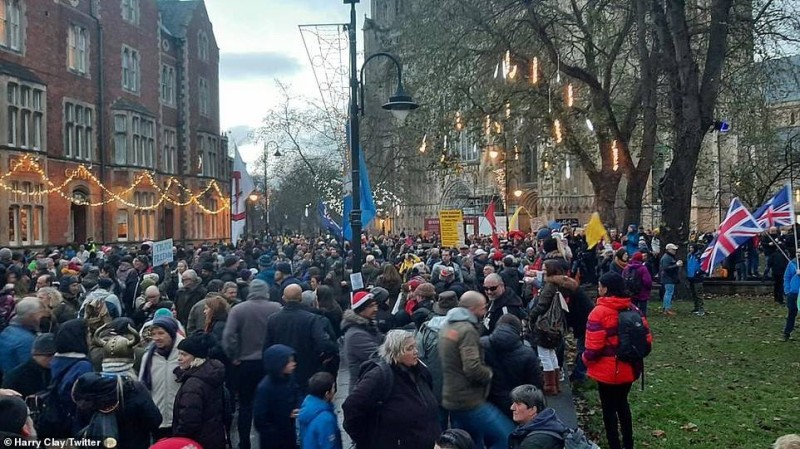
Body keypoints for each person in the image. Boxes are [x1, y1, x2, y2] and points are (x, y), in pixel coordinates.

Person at [583, 272, 652, 449]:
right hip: (630, 368)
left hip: (607, 371)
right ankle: (628, 442)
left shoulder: (598, 313)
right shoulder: (634, 308)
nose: (598, 289)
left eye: (600, 286)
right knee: (623, 404)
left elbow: (594, 348)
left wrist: (585, 359)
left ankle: (614, 443)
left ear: (606, 289)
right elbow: (647, 339)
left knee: (608, 408)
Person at [439, 291, 514, 449]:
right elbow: (472, 367)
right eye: (483, 307)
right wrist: (488, 374)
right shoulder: (467, 330)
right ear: (473, 309)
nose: (485, 310)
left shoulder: (448, 326)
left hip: (452, 397)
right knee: (507, 435)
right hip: (469, 399)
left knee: (470, 442)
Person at [343, 330, 440, 449]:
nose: (416, 352)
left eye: (415, 347)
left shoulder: (421, 372)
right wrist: (366, 440)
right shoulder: (379, 376)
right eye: (409, 349)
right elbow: (352, 406)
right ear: (395, 353)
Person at [222, 279, 280, 449]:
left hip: (245, 363)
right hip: (270, 362)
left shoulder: (238, 309)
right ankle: (269, 440)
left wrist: (234, 356)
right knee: (270, 403)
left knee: (245, 405)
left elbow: (228, 337)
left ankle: (245, 442)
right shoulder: (276, 308)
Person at [264, 284, 338, 393]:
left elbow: (267, 346)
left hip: (282, 370)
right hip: (307, 368)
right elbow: (323, 342)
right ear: (301, 298)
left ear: (283, 298)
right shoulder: (312, 319)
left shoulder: (272, 319)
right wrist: (328, 354)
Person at [172, 332, 228, 449]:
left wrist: (178, 439)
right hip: (215, 437)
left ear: (196, 357)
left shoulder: (193, 385)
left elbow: (189, 421)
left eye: (184, 354)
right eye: (179, 353)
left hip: (197, 442)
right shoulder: (211, 374)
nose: (179, 358)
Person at [480, 314, 543, 419]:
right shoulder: (527, 354)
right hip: (515, 405)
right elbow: (535, 385)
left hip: (486, 402)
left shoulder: (482, 344)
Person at [527, 260, 569, 395]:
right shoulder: (559, 284)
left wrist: (531, 316)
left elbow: (541, 305)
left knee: (544, 355)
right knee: (551, 354)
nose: (542, 271)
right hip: (555, 324)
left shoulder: (549, 286)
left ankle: (549, 386)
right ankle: (555, 383)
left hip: (545, 325)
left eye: (545, 269)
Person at [139, 316, 184, 440]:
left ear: (171, 332)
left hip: (180, 418)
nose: (156, 338)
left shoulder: (184, 354)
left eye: (161, 333)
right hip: (157, 419)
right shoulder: (148, 357)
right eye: (153, 334)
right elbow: (143, 388)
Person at [50, 318, 94, 436]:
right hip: (76, 422)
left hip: (58, 419)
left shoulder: (56, 361)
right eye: (88, 333)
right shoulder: (83, 366)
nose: (90, 337)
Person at [253, 344, 301, 449]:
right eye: (289, 362)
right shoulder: (264, 388)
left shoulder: (289, 378)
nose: (293, 364)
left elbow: (297, 393)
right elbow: (260, 419)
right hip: (273, 441)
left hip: (288, 434)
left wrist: (296, 407)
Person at [342, 291, 384, 392]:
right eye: (371, 306)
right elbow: (379, 356)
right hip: (362, 390)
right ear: (360, 309)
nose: (375, 309)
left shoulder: (368, 326)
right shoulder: (355, 335)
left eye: (375, 305)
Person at [507, 384, 569, 449]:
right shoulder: (552, 424)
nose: (512, 408)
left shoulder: (533, 443)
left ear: (532, 410)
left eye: (518, 404)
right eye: (513, 403)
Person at [297, 371, 342, 449]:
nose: (334, 391)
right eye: (333, 388)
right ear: (327, 394)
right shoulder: (326, 419)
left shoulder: (306, 407)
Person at [2, 333, 54, 397]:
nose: (52, 359)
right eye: (48, 355)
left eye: (55, 355)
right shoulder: (17, 376)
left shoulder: (57, 371)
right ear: (35, 355)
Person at [0, 297, 43, 374]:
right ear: (32, 315)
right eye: (41, 312)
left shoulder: (8, 330)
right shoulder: (28, 340)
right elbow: (31, 370)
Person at [659, 243, 682, 315]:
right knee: (668, 293)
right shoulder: (667, 257)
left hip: (669, 278)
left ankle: (666, 307)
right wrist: (676, 265)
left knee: (668, 293)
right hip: (668, 278)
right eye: (673, 249)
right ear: (668, 249)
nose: (675, 251)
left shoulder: (669, 257)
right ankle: (667, 309)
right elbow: (665, 268)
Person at [782, 253, 800, 342]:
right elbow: (787, 277)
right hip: (793, 293)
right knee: (791, 314)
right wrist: (787, 290)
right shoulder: (792, 263)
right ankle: (787, 333)